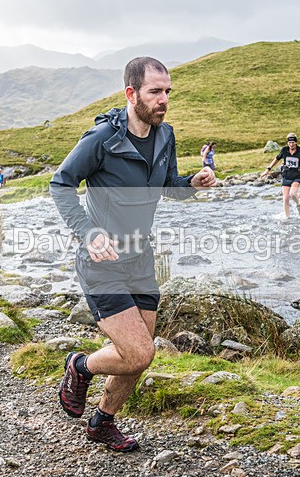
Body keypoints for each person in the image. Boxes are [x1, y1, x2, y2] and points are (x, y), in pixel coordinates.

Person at [50, 56, 217, 452]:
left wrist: (191, 184)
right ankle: (79, 365)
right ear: (131, 93)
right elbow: (61, 184)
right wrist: (88, 233)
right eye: (155, 92)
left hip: (141, 259)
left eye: (168, 92)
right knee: (140, 352)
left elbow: (166, 186)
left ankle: (102, 422)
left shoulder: (165, 135)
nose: (164, 100)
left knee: (138, 356)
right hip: (102, 264)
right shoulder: (101, 140)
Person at [259, 132, 300, 218]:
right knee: (285, 199)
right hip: (286, 176)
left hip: (296, 176)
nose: (291, 145)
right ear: (287, 142)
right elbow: (277, 159)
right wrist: (268, 169)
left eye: (293, 143)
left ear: (296, 142)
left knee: (293, 194)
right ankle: (287, 218)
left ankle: (298, 205)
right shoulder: (284, 150)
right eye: (289, 143)